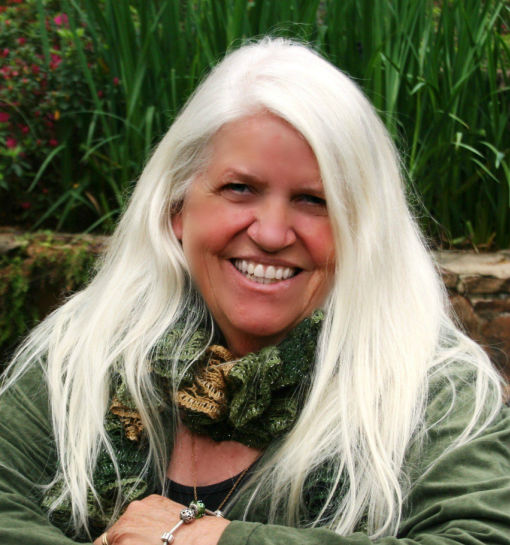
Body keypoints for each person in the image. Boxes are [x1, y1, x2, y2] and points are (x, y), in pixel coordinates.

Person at [1, 37, 509, 545]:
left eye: (314, 200)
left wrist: (210, 540)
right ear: (177, 207)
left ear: (365, 229)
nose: (270, 233)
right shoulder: (84, 349)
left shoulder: (434, 388)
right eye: (240, 188)